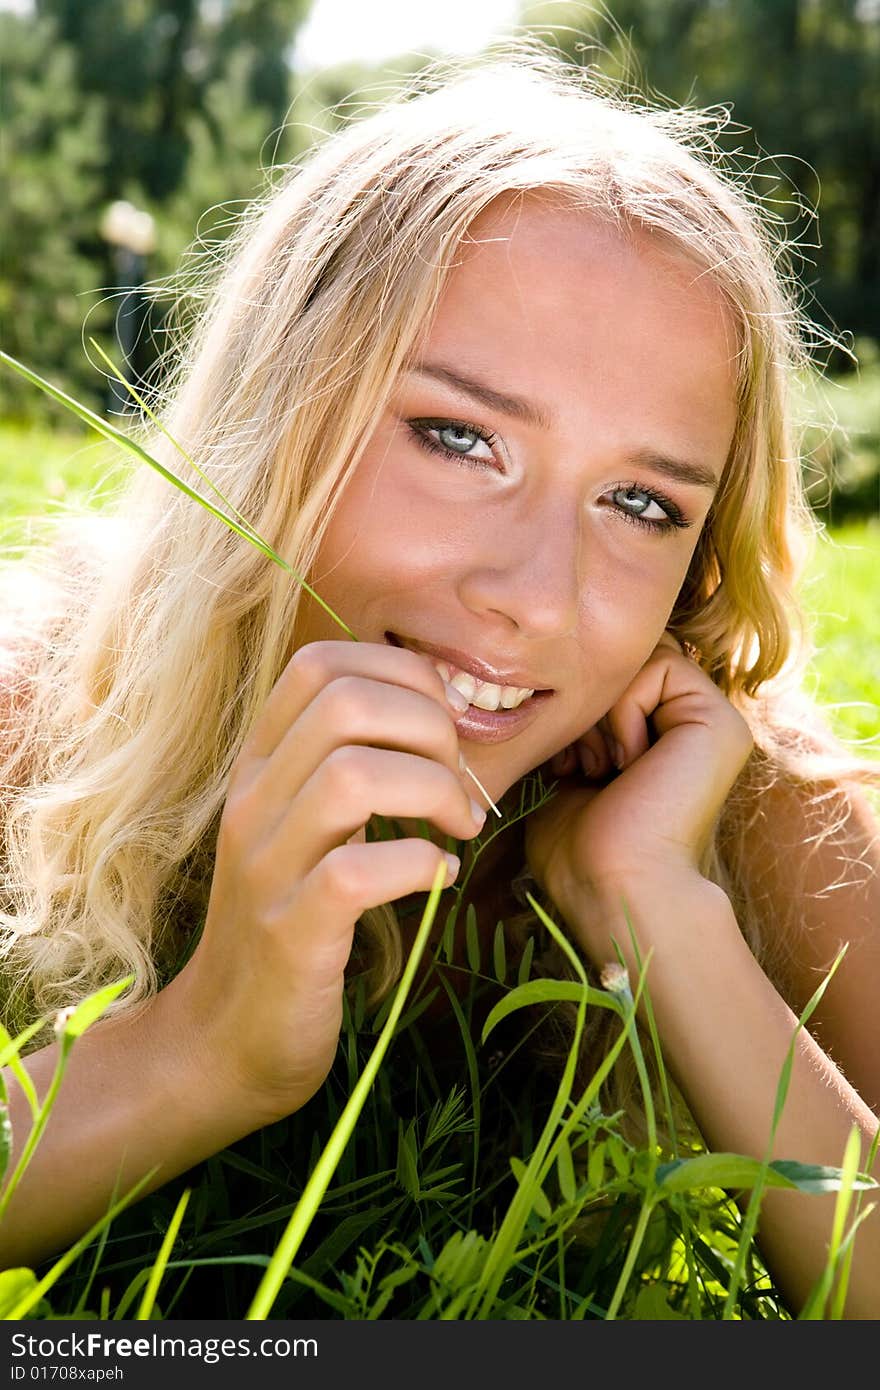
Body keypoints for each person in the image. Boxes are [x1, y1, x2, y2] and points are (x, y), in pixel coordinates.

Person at [1, 54, 878, 1318]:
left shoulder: (758, 811)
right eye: (460, 439)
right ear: (279, 416)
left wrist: (657, 907)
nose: (538, 593)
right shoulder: (43, 713)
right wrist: (205, 1048)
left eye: (640, 502)